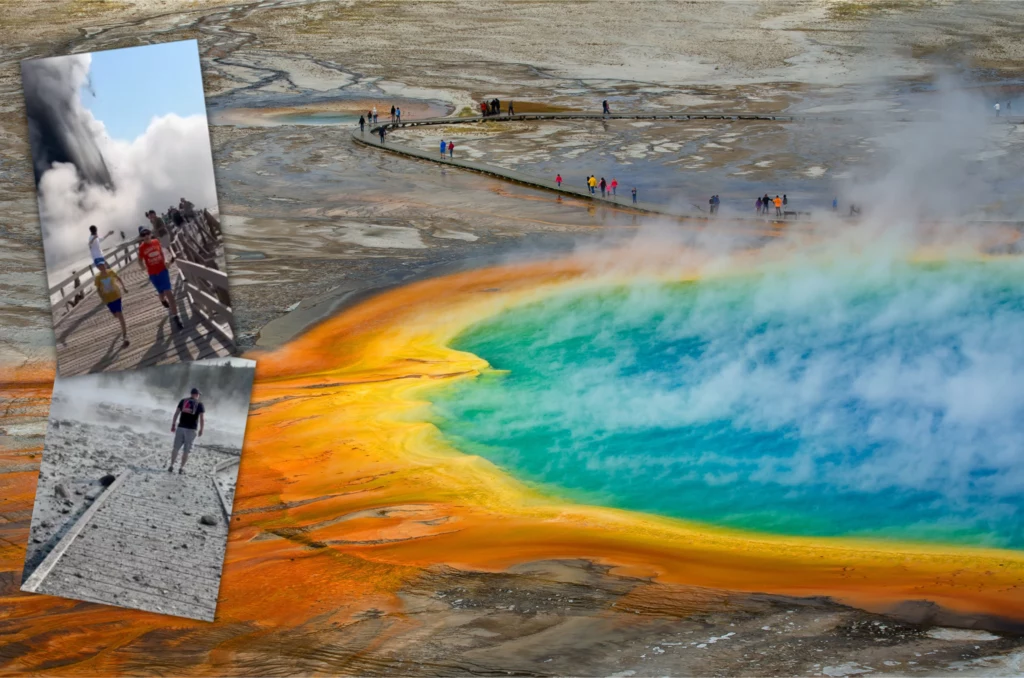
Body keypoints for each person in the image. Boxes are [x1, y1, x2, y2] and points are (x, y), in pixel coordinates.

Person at [137, 225, 183, 330]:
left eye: (147, 233)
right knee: (161, 294)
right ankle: (162, 300)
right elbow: (139, 260)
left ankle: (176, 317)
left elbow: (162, 253)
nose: (146, 236)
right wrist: (142, 266)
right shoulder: (141, 248)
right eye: (143, 234)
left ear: (150, 233)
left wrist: (166, 261)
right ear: (141, 237)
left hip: (163, 271)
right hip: (153, 274)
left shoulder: (156, 241)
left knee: (169, 294)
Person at [93, 262, 129, 348]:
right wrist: (102, 298)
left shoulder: (111, 272)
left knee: (120, 315)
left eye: (102, 265)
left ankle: (125, 336)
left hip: (116, 296)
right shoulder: (98, 277)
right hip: (108, 299)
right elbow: (98, 289)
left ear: (105, 265)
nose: (101, 267)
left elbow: (118, 278)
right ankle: (122, 329)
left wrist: (124, 287)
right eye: (99, 266)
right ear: (97, 267)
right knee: (116, 315)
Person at [169, 387, 205, 474]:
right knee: (186, 450)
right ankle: (181, 468)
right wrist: (201, 429)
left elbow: (176, 413)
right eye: (198, 395)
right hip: (191, 430)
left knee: (176, 448)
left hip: (180, 428)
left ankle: (171, 465)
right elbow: (202, 418)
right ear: (196, 395)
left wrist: (173, 425)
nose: (199, 396)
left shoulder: (183, 401)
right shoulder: (200, 404)